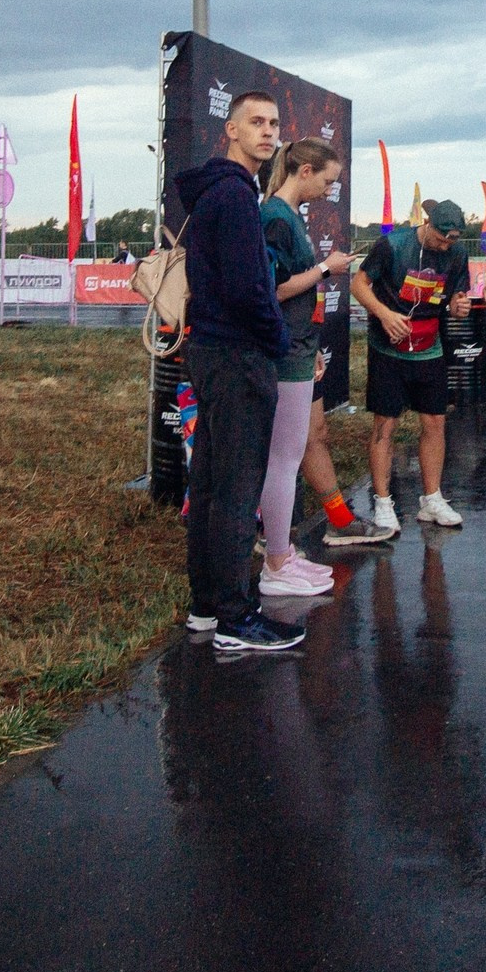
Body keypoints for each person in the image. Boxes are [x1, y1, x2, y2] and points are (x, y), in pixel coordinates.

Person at [171, 91, 304, 654]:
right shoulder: (233, 195)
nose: (268, 132)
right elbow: (248, 288)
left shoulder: (221, 192)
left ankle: (207, 606)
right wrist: (277, 341)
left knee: (209, 485)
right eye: (255, 122)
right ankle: (234, 617)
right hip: (235, 355)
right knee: (234, 490)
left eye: (273, 123)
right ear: (230, 130)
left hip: (212, 351)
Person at [256, 139, 362, 596]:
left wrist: (310, 342)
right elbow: (276, 289)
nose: (329, 190)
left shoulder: (286, 216)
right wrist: (325, 269)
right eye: (327, 180)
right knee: (284, 458)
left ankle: (282, 552)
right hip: (284, 351)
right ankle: (277, 561)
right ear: (304, 171)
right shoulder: (276, 218)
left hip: (296, 346)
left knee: (287, 455)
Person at [351, 197, 475, 532]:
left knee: (435, 422)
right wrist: (384, 314)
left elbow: (455, 297)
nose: (445, 245)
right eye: (441, 238)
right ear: (427, 223)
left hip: (429, 346)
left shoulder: (457, 253)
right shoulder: (392, 245)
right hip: (388, 346)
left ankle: (432, 498)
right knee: (385, 424)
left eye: (452, 240)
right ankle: (383, 501)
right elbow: (358, 284)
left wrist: (458, 307)